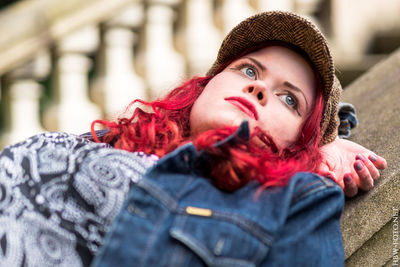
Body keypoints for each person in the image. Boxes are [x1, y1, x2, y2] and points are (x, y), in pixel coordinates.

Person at [0, 11, 386, 267]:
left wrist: (322, 146)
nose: (257, 89)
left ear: (300, 144)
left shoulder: (293, 203)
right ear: (205, 86)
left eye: (289, 99)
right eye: (248, 69)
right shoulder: (110, 139)